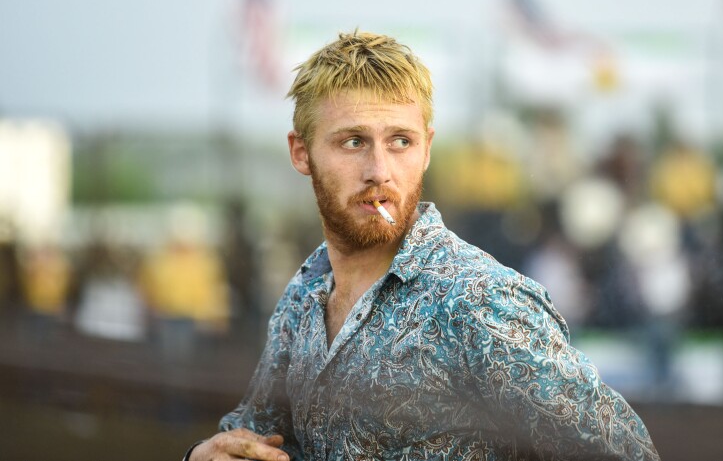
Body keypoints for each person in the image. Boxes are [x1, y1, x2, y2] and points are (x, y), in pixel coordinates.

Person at [185, 31, 660, 461]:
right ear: (301, 152)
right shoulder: (303, 297)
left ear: (427, 148)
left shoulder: (477, 301)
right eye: (352, 142)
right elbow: (254, 439)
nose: (380, 171)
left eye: (400, 142)